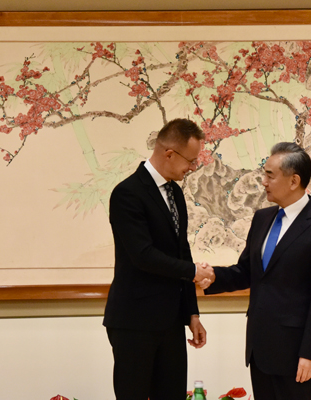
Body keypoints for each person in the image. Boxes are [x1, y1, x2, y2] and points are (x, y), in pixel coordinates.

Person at [202, 142, 311, 400]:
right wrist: (213, 276)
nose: (263, 181)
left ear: (294, 181)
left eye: (270, 175)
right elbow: (247, 272)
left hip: (296, 355)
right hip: (260, 349)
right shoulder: (262, 219)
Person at [103, 118, 214, 400]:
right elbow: (143, 255)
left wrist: (193, 313)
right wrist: (193, 271)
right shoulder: (127, 194)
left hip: (171, 321)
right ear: (168, 154)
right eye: (190, 160)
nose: (191, 167)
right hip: (134, 322)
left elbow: (181, 250)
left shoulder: (175, 192)